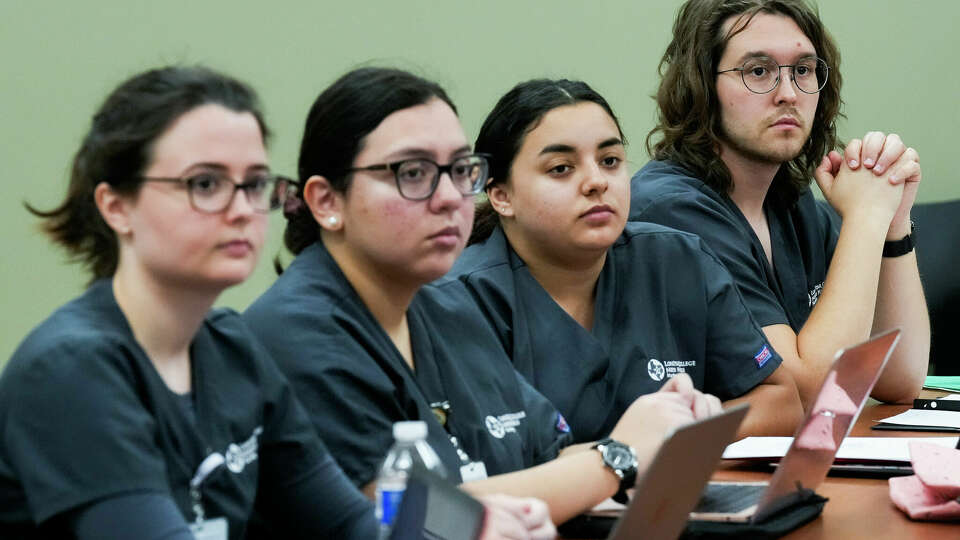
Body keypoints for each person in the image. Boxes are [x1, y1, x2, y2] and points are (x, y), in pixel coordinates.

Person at [0, 66, 548, 540]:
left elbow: (346, 523)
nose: (241, 209)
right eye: (206, 184)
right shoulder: (73, 367)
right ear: (117, 206)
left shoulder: (232, 348)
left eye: (254, 183)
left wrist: (481, 521)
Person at [244, 67, 721, 525]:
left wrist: (658, 427)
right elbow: (404, 514)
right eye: (413, 173)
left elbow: (546, 460)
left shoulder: (444, 308)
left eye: (458, 170)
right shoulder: (297, 333)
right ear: (327, 201)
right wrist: (617, 456)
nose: (450, 197)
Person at [447, 78, 801, 443]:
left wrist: (687, 431)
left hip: (677, 494)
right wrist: (629, 448)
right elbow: (487, 461)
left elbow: (783, 401)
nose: (596, 182)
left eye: (610, 161)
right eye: (561, 169)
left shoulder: (677, 260)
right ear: (501, 195)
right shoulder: (462, 303)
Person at [629, 0, 929, 408]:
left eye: (803, 70)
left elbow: (900, 379)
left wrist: (893, 224)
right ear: (701, 86)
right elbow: (811, 394)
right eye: (758, 71)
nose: (788, 94)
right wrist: (865, 215)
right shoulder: (670, 211)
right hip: (692, 467)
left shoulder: (793, 202)